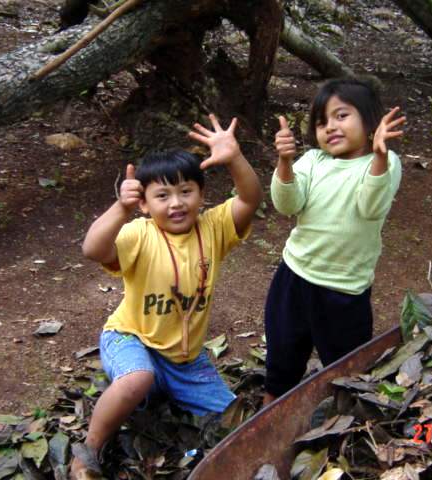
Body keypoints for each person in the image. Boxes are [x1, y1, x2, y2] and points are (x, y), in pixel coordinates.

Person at [71, 114, 263, 478]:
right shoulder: (139, 233)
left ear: (201, 195)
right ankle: (89, 450)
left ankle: (161, 409)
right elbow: (92, 249)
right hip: (130, 338)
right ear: (144, 204)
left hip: (186, 360)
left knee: (235, 423)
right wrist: (120, 208)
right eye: (162, 195)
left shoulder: (214, 228)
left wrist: (235, 157)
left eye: (186, 191)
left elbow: (250, 199)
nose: (176, 203)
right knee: (137, 379)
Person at [263, 77, 406, 405]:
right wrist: (284, 163)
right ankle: (270, 409)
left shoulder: (384, 164)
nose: (330, 127)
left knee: (346, 368)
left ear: (370, 121)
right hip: (294, 277)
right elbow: (287, 205)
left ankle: (344, 419)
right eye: (321, 122)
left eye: (341, 115)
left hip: (344, 289)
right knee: (283, 353)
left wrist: (380, 157)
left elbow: (371, 208)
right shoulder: (313, 161)